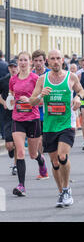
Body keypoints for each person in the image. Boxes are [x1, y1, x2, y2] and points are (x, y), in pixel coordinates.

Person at [30, 49, 84, 207]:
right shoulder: (42, 79)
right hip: (49, 126)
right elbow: (32, 102)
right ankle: (61, 192)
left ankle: (67, 189)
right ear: (48, 61)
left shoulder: (70, 77)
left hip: (67, 124)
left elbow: (81, 90)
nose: (55, 61)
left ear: (62, 60)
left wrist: (78, 98)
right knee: (54, 162)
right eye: (52, 58)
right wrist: (41, 96)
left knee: (62, 156)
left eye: (58, 58)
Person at [9, 52, 49, 197]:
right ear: (18, 62)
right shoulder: (13, 79)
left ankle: (40, 160)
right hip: (18, 118)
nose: (23, 62)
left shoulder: (36, 79)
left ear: (30, 62)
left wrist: (30, 101)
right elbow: (11, 96)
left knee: (32, 154)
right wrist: (11, 102)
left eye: (25, 60)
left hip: (33, 118)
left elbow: (42, 101)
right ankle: (21, 186)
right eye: (21, 60)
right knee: (20, 152)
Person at [0, 59, 18, 175]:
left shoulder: (22, 80)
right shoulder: (3, 81)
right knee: (9, 145)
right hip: (7, 116)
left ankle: (16, 165)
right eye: (11, 67)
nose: (13, 69)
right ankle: (11, 151)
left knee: (17, 141)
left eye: (14, 67)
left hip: (19, 115)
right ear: (8, 68)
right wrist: (4, 103)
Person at [32, 49, 51, 159]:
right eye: (36, 60)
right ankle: (42, 164)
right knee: (39, 140)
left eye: (40, 60)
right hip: (35, 112)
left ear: (45, 61)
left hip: (49, 111)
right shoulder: (30, 75)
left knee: (47, 140)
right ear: (33, 62)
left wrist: (43, 100)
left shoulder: (50, 74)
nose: (38, 63)